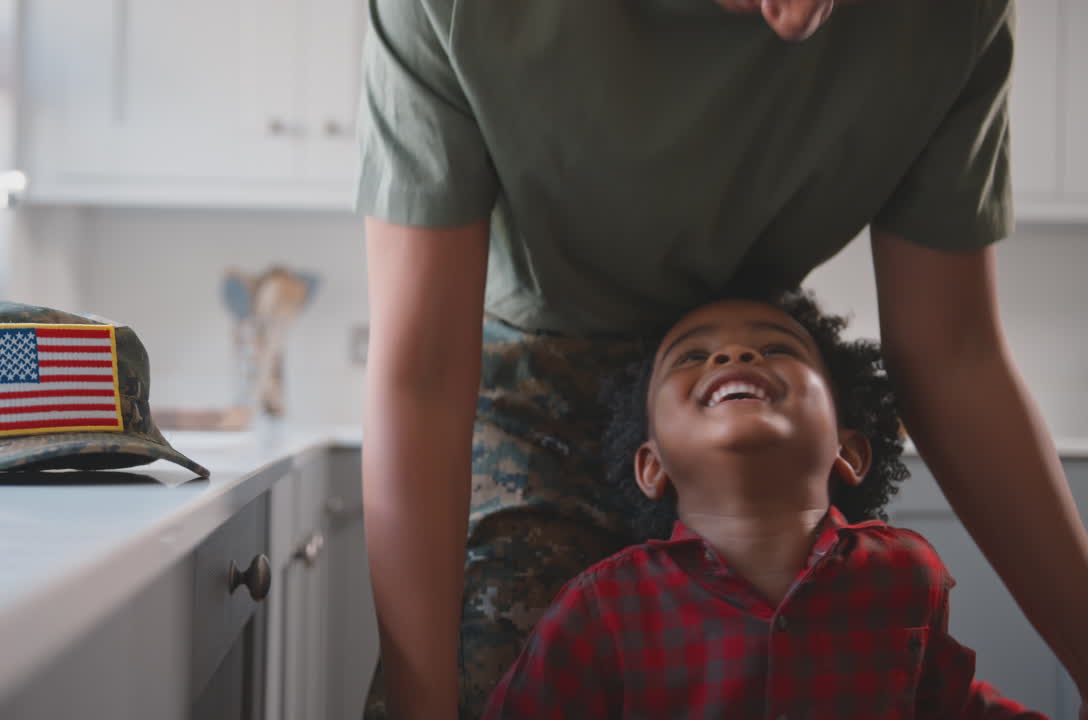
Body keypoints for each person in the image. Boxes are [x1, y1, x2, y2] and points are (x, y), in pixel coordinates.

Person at [356, 0, 1088, 716]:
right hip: (524, 386)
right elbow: (421, 375)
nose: (797, 21)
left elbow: (952, 353)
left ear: (851, 452)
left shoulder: (954, 19)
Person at [482, 289, 1045, 718]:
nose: (735, 352)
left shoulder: (905, 574)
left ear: (848, 449)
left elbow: (949, 706)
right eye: (690, 357)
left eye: (777, 348)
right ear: (651, 464)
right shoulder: (601, 607)